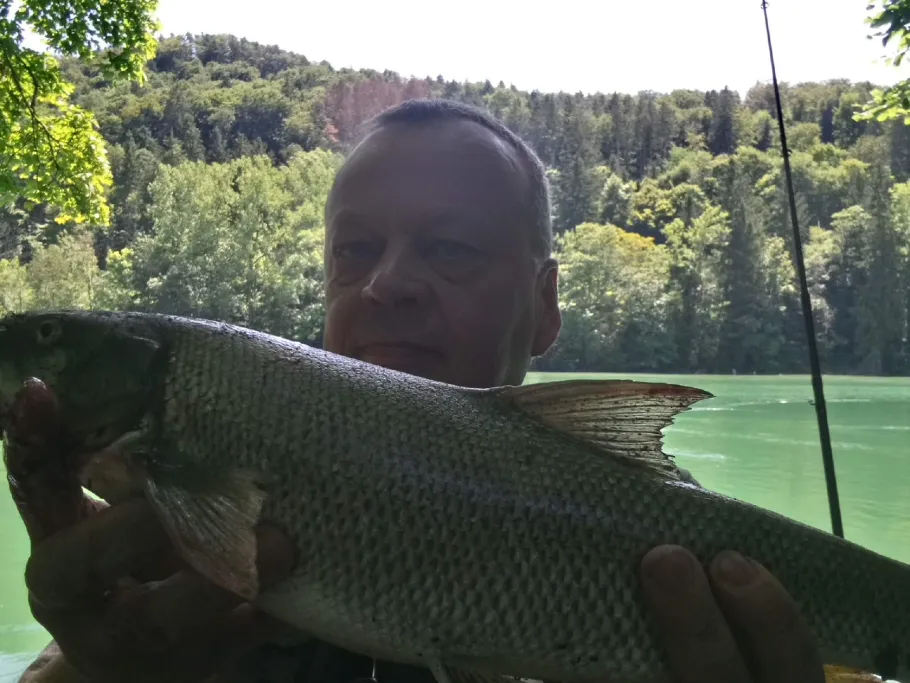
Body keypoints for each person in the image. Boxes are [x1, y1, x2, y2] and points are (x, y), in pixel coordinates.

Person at [10, 99, 826, 683]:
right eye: (354, 251)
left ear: (545, 306)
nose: (386, 283)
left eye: (451, 249)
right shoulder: (180, 564)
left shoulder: (710, 580)